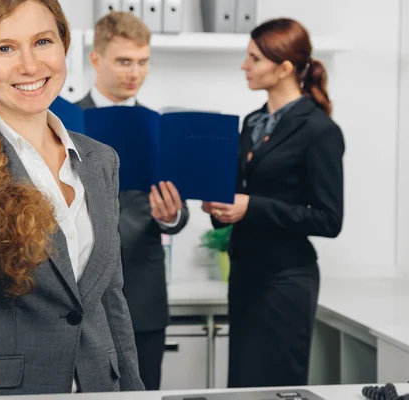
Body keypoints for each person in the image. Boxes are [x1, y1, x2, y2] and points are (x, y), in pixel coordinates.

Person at [0, 0, 144, 396]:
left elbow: (110, 298)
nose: (30, 65)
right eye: (5, 48)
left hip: (100, 387)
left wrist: (135, 390)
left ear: (63, 46)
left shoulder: (101, 160)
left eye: (43, 41)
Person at [201, 18, 345, 388]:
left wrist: (252, 207)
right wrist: (220, 209)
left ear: (283, 69)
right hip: (246, 275)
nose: (244, 66)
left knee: (278, 386)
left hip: (287, 282)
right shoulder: (251, 123)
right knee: (243, 387)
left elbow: (329, 219)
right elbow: (239, 195)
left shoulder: (319, 130)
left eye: (254, 58)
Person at [76, 11, 189, 391]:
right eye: (124, 61)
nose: (134, 72)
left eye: (142, 62)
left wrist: (171, 216)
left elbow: (179, 211)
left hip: (142, 293)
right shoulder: (61, 123)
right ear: (96, 59)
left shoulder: (160, 126)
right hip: (78, 295)